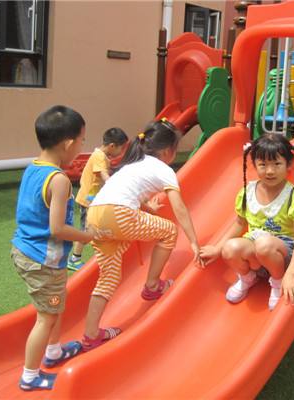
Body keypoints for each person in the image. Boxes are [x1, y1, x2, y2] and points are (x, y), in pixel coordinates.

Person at [81, 118, 203, 351]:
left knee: (108, 278)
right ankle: (152, 286)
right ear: (167, 151)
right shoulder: (164, 170)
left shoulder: (132, 165)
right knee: (169, 230)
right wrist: (194, 242)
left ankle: (90, 334)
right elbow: (179, 207)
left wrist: (148, 207)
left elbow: (124, 192)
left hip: (94, 216)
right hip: (118, 214)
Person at [11, 105, 105, 391]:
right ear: (67, 143)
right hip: (43, 260)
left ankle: (53, 351)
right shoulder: (60, 180)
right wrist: (88, 236)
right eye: (81, 141)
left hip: (28, 251)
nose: (81, 147)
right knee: (47, 315)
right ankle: (30, 376)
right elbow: (57, 229)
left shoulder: (34, 167)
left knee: (57, 301)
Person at [200, 134, 294, 310]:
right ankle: (248, 278)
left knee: (264, 244)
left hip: (283, 254)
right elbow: (239, 224)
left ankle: (278, 282)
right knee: (230, 248)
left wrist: (291, 274)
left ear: (289, 165)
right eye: (263, 165)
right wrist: (217, 248)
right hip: (257, 251)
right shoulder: (247, 192)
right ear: (255, 165)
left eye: (277, 164)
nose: (270, 171)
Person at [68, 127, 129, 271]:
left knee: (97, 228)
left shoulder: (101, 156)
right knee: (86, 231)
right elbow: (103, 174)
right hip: (88, 201)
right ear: (112, 146)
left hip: (93, 200)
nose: (121, 152)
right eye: (121, 148)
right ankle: (74, 259)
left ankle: (99, 254)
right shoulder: (99, 156)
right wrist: (114, 185)